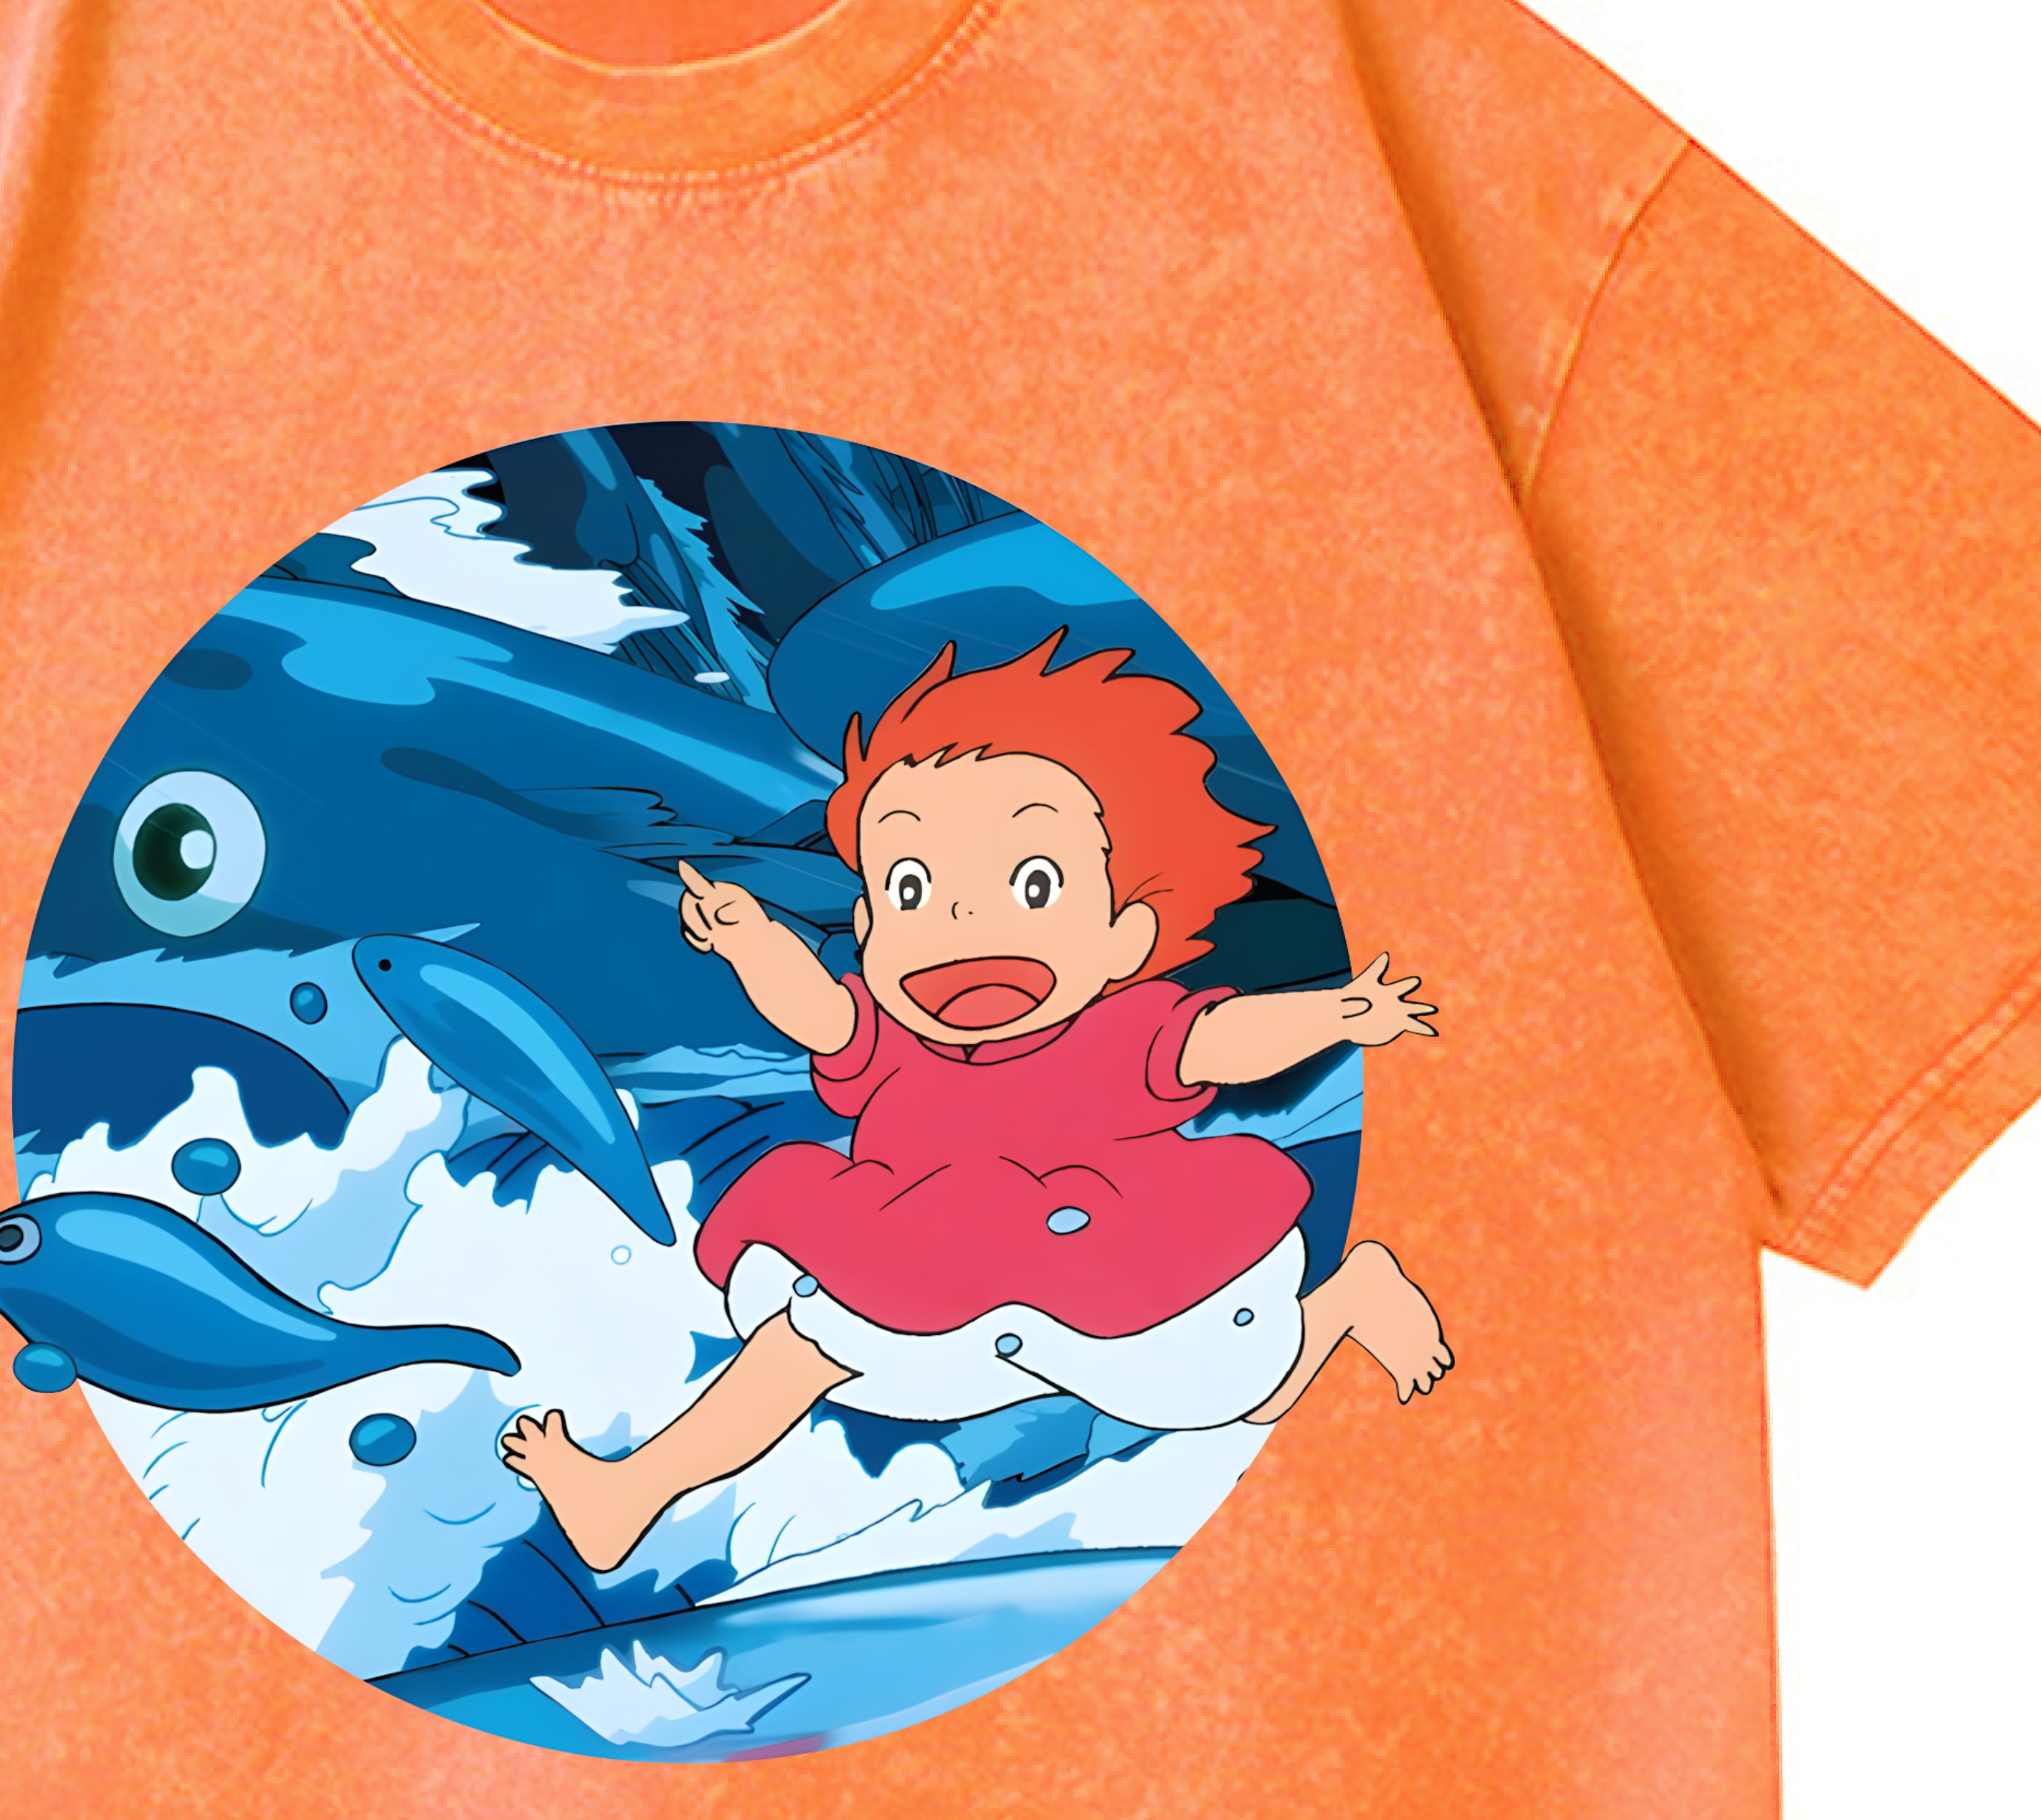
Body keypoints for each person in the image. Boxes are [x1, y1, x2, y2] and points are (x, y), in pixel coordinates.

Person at [500, 632, 1451, 1573]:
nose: (958, 918)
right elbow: (821, 1014)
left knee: (1229, 1393)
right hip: (916, 1254)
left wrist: (1338, 1013)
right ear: (867, 925)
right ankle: (632, 1491)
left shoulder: (1120, 1033)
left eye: (1032, 884)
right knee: (797, 1348)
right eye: (910, 887)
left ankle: (1351, 1297)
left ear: (1125, 936)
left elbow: (1221, 1039)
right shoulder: (894, 1041)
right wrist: (751, 939)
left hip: (1112, 1254)